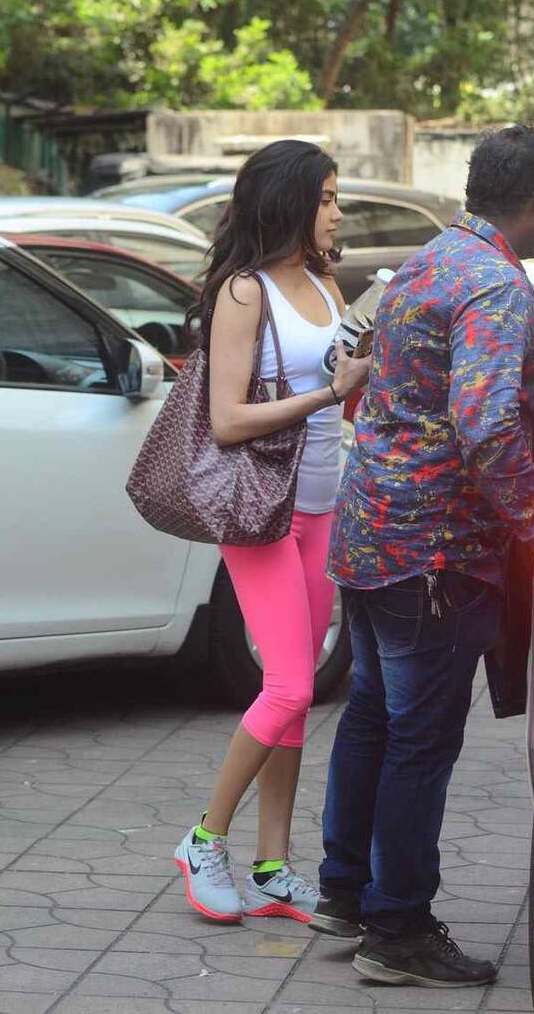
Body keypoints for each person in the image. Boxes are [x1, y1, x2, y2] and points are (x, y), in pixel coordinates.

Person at [310, 125, 534, 986]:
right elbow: (487, 425)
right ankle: (398, 929)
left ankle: (345, 892)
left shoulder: (428, 260)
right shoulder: (497, 284)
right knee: (418, 739)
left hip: (369, 530)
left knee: (373, 715)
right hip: (433, 552)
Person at [173, 140, 370, 924]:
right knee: (289, 684)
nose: (337, 212)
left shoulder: (324, 282)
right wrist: (326, 394)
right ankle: (202, 839)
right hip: (261, 509)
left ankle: (272, 867)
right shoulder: (244, 292)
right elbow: (227, 419)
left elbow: (340, 385)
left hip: (323, 505)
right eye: (325, 198)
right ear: (289, 201)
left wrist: (363, 372)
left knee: (292, 690)